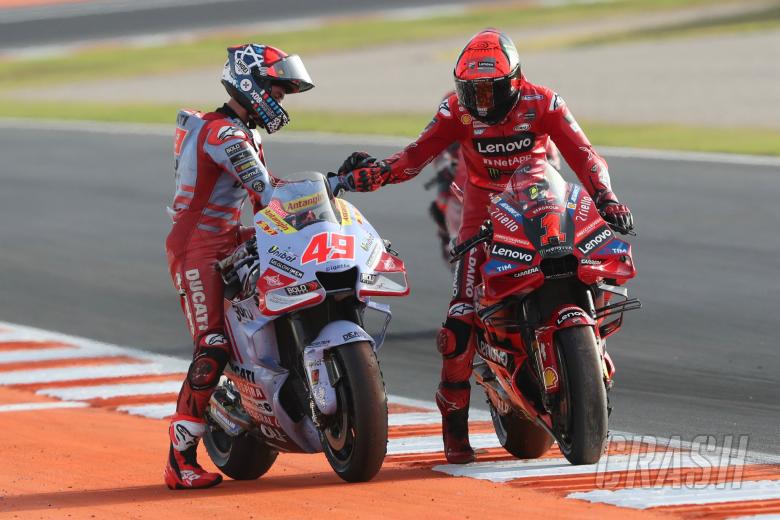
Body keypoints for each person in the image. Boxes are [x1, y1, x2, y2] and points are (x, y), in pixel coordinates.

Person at [336, 29, 634, 464]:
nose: (479, 100)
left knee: (592, 259)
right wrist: (374, 175)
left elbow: (585, 155)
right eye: (469, 89)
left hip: (542, 197)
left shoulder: (544, 101)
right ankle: (454, 426)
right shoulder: (455, 110)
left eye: (488, 89)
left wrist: (606, 198)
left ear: (514, 82)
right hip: (483, 211)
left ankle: (593, 346)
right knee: (459, 324)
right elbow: (415, 155)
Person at [162, 43, 319, 489]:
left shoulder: (246, 133)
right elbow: (266, 191)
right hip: (198, 248)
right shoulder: (223, 134)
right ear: (250, 84)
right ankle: (179, 459)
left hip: (232, 237)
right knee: (212, 345)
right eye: (277, 89)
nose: (281, 99)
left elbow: (265, 201)